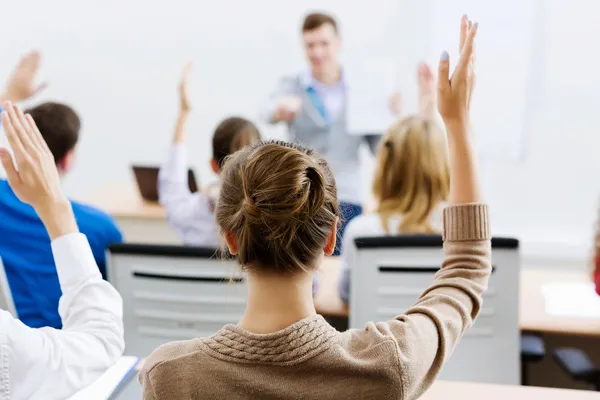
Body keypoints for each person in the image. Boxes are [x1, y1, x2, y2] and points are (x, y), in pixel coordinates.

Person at [140, 17, 490, 399]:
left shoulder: (170, 375)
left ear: (231, 239)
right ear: (329, 238)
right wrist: (457, 124)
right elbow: (466, 270)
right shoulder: (387, 366)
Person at [0, 101, 124, 400]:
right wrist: (55, 207)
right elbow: (102, 341)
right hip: (61, 354)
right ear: (67, 160)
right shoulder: (98, 226)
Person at [260, 12, 402, 255]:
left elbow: (380, 150)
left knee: (342, 262)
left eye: (323, 44)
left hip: (346, 194)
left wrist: (391, 117)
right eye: (310, 45)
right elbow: (264, 111)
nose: (317, 53)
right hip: (303, 194)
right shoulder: (293, 84)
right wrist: (279, 109)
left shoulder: (362, 90)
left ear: (338, 43)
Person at [0, 52, 123, 329]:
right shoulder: (98, 227)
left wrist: (9, 95)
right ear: (68, 159)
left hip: (11, 346)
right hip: (69, 353)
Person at [338, 63, 449, 303]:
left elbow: (347, 295)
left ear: (386, 167)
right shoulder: (460, 234)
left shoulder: (362, 232)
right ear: (442, 167)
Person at [159, 62, 261, 246]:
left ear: (213, 165)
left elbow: (171, 188)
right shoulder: (270, 222)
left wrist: (183, 114)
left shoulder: (190, 214)